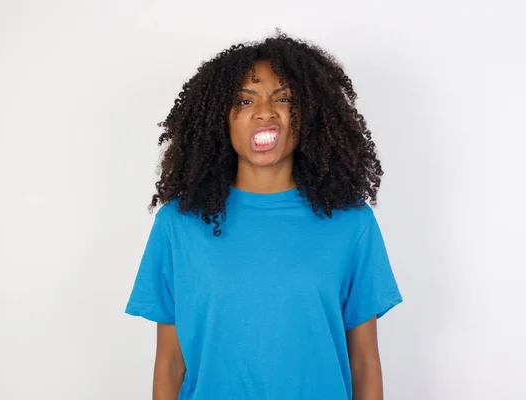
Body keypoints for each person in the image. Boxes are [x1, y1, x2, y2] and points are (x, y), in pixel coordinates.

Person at [125, 31, 403, 400]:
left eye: (284, 98)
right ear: (219, 120)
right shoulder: (179, 224)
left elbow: (364, 361)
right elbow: (170, 361)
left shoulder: (351, 223)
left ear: (309, 115)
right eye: (243, 100)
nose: (265, 112)